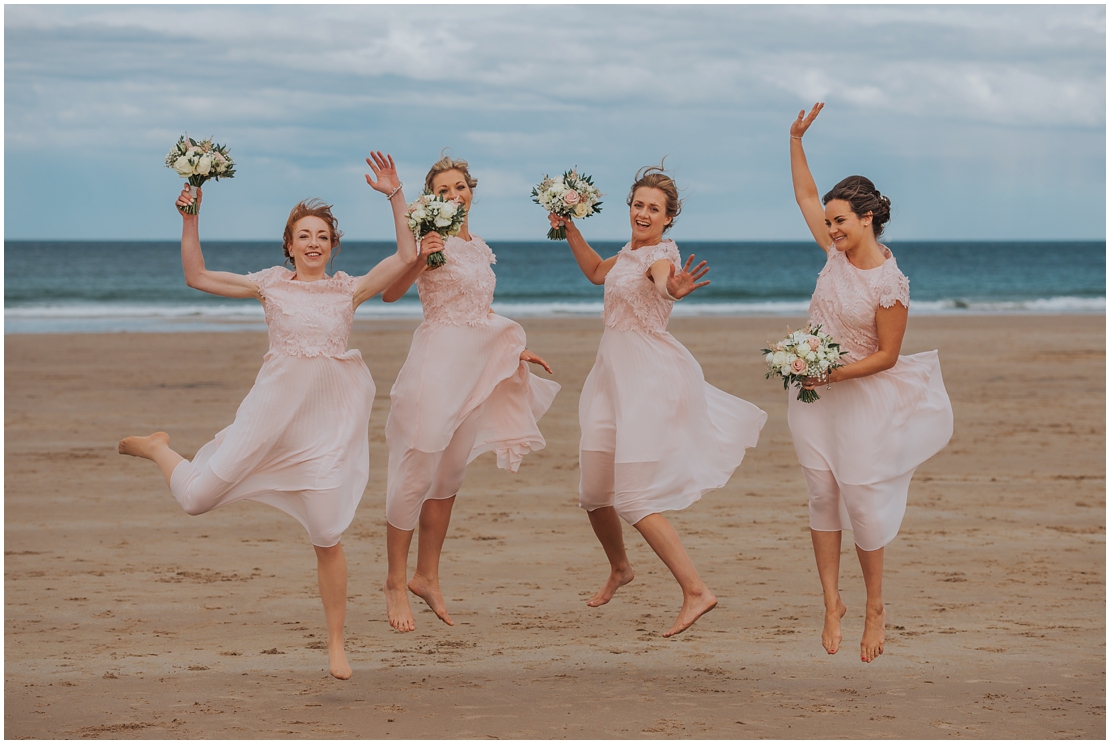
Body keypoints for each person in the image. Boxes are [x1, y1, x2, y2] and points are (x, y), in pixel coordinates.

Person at [117, 152, 418, 680]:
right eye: (304, 235)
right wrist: (191, 217)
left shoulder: (349, 289)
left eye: (322, 236)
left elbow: (406, 253)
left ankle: (336, 644)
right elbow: (196, 276)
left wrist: (396, 195)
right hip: (269, 419)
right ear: (289, 244)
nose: (313, 243)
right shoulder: (270, 285)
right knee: (195, 499)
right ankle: (158, 446)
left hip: (324, 429)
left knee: (327, 531)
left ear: (332, 246)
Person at [548, 164, 767, 637]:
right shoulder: (629, 253)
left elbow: (666, 281)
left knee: (631, 497)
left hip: (647, 380)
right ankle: (621, 568)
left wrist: (675, 289)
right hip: (611, 378)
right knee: (593, 493)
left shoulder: (660, 256)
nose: (643, 213)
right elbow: (592, 271)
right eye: (638, 205)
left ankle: (695, 591)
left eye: (654, 209)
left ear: (669, 219)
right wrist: (569, 226)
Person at [788, 103, 954, 663]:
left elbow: (887, 356)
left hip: (857, 393)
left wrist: (830, 371)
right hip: (810, 395)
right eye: (829, 222)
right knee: (820, 494)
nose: (830, 228)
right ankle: (831, 601)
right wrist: (795, 140)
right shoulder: (832, 256)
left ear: (867, 219)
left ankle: (874, 605)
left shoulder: (890, 282)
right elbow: (806, 197)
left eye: (840, 221)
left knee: (859, 498)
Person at [381, 155, 560, 632]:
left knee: (450, 477)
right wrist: (418, 251)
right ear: (431, 197)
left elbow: (481, 312)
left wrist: (515, 350)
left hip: (476, 370)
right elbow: (391, 294)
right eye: (443, 189)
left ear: (471, 192)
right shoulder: (427, 240)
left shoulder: (478, 247)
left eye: (461, 186)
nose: (454, 194)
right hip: (436, 366)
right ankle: (395, 582)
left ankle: (426, 575)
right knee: (417, 471)